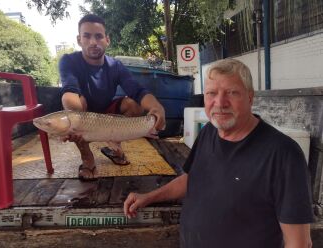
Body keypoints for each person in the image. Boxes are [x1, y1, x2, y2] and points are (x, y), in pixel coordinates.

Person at [124, 58, 314, 247]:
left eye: (232, 93)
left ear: (250, 97)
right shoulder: (209, 132)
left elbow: (299, 243)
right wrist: (148, 197)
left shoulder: (284, 155)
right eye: (211, 93)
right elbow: (192, 179)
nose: (220, 103)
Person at [59, 14, 165, 180]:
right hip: (83, 111)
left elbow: (136, 90)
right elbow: (69, 91)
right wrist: (73, 124)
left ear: (107, 40)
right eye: (87, 36)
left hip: (107, 112)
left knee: (133, 104)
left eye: (99, 36)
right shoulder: (68, 61)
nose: (93, 42)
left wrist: (157, 108)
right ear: (79, 40)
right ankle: (87, 159)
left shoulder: (115, 65)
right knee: (74, 102)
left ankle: (113, 145)